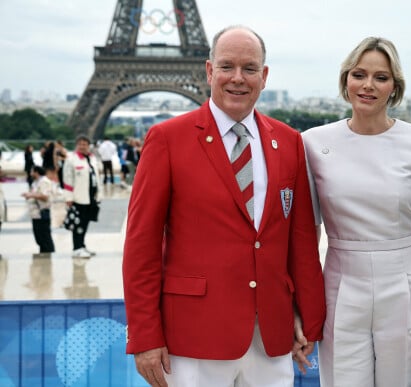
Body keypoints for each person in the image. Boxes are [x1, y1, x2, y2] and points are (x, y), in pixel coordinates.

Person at [122, 26, 325, 387]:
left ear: (264, 77)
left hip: (271, 337)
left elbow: (302, 241)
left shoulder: (289, 142)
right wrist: (145, 337)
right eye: (227, 66)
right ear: (209, 70)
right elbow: (141, 247)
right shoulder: (167, 139)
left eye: (249, 68)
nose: (237, 78)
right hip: (195, 335)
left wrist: (308, 318)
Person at [302, 36, 411, 387]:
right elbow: (307, 235)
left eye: (380, 77)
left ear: (394, 87)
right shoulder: (312, 142)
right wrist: (302, 308)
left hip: (407, 286)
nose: (368, 85)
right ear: (345, 80)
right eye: (359, 74)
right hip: (339, 282)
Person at [62, 135, 101, 258]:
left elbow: (96, 177)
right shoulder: (71, 160)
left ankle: (82, 245)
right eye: (80, 144)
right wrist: (69, 198)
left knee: (85, 223)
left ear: (88, 146)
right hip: (78, 197)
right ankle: (77, 247)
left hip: (90, 197)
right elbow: (67, 179)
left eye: (85, 144)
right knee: (78, 223)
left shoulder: (92, 158)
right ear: (76, 145)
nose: (83, 146)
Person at [21, 166, 55, 255]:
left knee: (44, 236)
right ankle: (43, 252)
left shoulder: (44, 182)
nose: (30, 173)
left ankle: (48, 254)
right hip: (36, 214)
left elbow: (45, 196)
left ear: (36, 172)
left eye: (32, 171)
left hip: (41, 213)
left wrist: (31, 195)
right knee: (39, 237)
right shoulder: (36, 182)